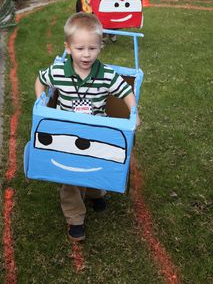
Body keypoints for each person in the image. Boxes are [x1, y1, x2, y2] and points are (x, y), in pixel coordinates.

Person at [35, 12, 140, 242]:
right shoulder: (59, 71)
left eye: (92, 48)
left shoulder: (106, 75)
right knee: (71, 175)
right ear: (69, 47)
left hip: (97, 132)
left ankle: (95, 192)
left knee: (95, 166)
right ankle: (75, 218)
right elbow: (41, 80)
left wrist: (134, 111)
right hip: (66, 133)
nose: (86, 54)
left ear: (100, 47)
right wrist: (41, 101)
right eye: (80, 48)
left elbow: (125, 91)